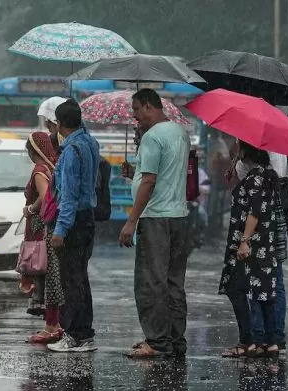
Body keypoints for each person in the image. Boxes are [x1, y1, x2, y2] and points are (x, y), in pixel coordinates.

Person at [118, 88, 190, 358]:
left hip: (155, 218)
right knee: (173, 282)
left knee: (151, 282)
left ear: (149, 106)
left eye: (136, 110)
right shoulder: (180, 133)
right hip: (179, 217)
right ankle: (174, 339)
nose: (135, 117)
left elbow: (150, 181)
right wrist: (133, 173)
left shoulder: (152, 137)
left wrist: (131, 221)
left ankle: (157, 342)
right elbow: (164, 173)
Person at [219, 141, 287, 358]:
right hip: (264, 244)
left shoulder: (256, 179)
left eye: (239, 148)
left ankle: (252, 341)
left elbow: (254, 212)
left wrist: (244, 241)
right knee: (265, 293)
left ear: (247, 151)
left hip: (253, 244)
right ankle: (270, 342)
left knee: (246, 291)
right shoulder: (265, 176)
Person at [46, 99, 100, 353]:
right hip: (87, 217)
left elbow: (68, 194)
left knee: (71, 280)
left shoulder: (71, 152)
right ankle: (84, 334)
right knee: (81, 278)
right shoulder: (90, 142)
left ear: (59, 124)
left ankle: (74, 335)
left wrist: (60, 230)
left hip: (74, 221)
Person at [22, 130, 66, 344]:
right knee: (52, 275)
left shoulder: (40, 170)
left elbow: (44, 195)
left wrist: (30, 209)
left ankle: (51, 326)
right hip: (50, 225)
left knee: (47, 276)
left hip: (42, 228)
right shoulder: (52, 167)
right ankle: (55, 323)